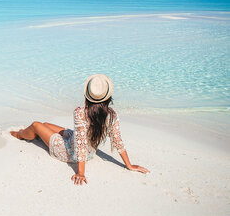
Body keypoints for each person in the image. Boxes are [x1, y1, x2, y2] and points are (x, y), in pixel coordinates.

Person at [10, 74, 149, 185]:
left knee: (35, 124)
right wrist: (129, 165)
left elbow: (81, 144)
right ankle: (36, 135)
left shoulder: (80, 112)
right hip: (85, 150)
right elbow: (117, 140)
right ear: (108, 97)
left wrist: (80, 172)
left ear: (87, 96)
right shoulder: (111, 115)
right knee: (45, 124)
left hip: (68, 152)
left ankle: (19, 135)